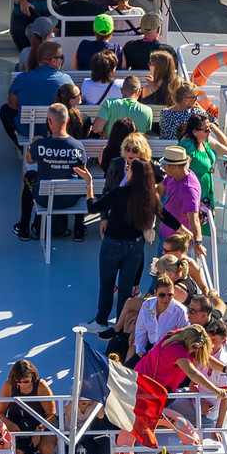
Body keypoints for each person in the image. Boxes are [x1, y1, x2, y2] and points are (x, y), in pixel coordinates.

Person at [88, 135, 158, 327]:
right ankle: (110, 323)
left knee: (123, 286)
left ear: (143, 151)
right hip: (122, 234)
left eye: (135, 150)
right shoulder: (116, 165)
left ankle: (118, 324)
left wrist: (88, 185)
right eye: (127, 149)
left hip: (131, 238)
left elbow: (155, 198)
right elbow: (108, 191)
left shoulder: (150, 168)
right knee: (111, 285)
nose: (130, 153)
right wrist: (104, 217)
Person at [128, 324, 219, 450]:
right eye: (194, 347)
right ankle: (137, 445)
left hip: (153, 384)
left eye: (198, 348)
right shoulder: (177, 350)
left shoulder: (176, 336)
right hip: (147, 388)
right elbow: (192, 373)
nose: (195, 350)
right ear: (188, 341)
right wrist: (216, 390)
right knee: (143, 417)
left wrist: (225, 368)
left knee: (165, 404)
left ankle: (143, 438)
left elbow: (204, 358)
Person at [15, 103, 94, 242]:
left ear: (49, 121)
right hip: (70, 199)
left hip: (45, 198)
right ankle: (79, 227)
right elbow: (83, 171)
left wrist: (33, 144)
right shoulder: (78, 146)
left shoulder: (40, 145)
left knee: (29, 177)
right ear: (68, 120)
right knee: (80, 180)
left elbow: (29, 160)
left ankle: (24, 228)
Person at [0, 39, 75, 144]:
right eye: (61, 58)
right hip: (57, 129)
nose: (62, 60)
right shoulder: (66, 81)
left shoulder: (21, 79)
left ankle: (23, 148)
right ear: (53, 61)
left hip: (27, 130)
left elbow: (13, 106)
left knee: (5, 111)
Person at [128, 272, 190, 358]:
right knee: (129, 368)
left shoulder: (180, 311)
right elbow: (140, 330)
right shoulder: (147, 305)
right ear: (155, 293)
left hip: (168, 352)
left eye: (170, 295)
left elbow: (185, 336)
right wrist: (140, 351)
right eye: (162, 295)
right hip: (148, 348)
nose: (166, 299)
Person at [158, 146, 204, 251]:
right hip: (165, 236)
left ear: (173, 167)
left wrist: (198, 243)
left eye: (165, 165)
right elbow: (159, 191)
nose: (163, 167)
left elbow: (194, 218)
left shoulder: (188, 189)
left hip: (176, 245)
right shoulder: (172, 177)